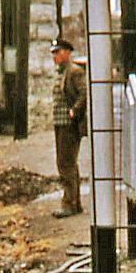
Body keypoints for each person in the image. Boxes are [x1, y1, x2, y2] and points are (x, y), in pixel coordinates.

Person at [51, 39, 86, 218]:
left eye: (57, 52)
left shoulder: (74, 72)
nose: (54, 56)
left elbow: (84, 94)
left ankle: (69, 204)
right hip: (61, 123)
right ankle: (75, 202)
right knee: (67, 163)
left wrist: (74, 111)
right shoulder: (62, 73)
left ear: (67, 52)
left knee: (66, 164)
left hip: (69, 125)